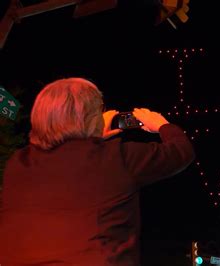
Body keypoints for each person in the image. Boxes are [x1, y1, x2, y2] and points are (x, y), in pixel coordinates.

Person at [0, 78, 195, 265]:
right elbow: (181, 152)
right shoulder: (115, 159)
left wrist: (93, 138)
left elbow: (69, 163)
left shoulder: (18, 164)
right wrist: (160, 124)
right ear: (87, 118)